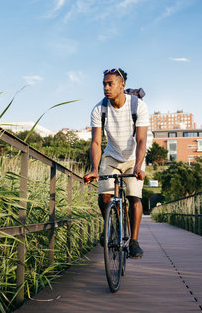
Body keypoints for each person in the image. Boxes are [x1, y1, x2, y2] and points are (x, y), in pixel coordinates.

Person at [84, 68, 149, 259]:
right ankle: (111, 229)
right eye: (104, 84)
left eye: (110, 84)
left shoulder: (138, 106)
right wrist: (94, 169)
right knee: (104, 195)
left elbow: (141, 140)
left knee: (134, 196)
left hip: (133, 157)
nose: (106, 87)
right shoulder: (99, 109)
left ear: (122, 85)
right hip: (111, 156)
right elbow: (96, 142)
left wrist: (138, 166)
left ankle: (134, 242)